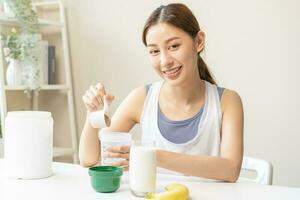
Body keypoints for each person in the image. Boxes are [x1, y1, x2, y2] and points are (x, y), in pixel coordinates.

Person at [79, 3, 244, 182]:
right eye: (154, 51)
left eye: (173, 46)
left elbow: (230, 169)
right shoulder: (141, 99)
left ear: (198, 42)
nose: (165, 61)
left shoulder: (227, 102)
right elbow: (90, 160)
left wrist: (154, 156)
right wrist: (92, 117)